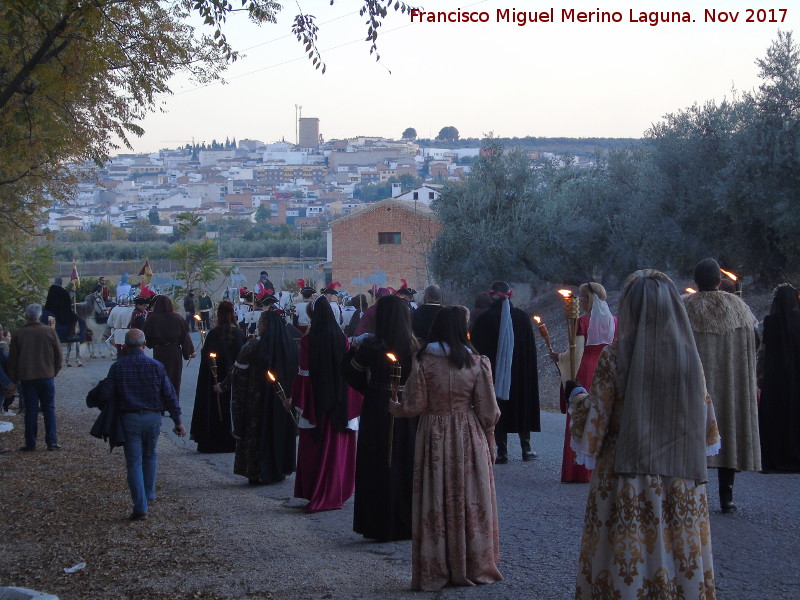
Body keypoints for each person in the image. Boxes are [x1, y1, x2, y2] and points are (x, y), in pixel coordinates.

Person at [569, 269, 720, 599]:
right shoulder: (689, 357)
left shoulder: (615, 355)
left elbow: (596, 421)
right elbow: (707, 423)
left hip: (626, 476)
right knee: (681, 553)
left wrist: (576, 396)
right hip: (682, 476)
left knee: (627, 556)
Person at [389, 306, 502, 591]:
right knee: (470, 495)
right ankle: (474, 564)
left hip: (435, 435)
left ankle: (437, 567)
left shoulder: (424, 361)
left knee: (437, 497)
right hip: (468, 433)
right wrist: (489, 437)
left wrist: (396, 408)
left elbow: (415, 405)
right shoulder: (476, 362)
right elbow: (488, 410)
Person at [684, 258, 760, 512]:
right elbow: (755, 343)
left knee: (693, 433)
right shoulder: (740, 309)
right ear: (719, 281)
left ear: (695, 281)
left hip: (695, 387)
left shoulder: (683, 309)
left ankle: (694, 492)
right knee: (727, 431)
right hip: (729, 387)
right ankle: (726, 497)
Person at [342, 295, 418, 542]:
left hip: (377, 406)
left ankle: (378, 522)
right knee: (405, 459)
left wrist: (373, 389)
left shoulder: (371, 346)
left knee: (378, 460)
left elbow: (352, 373)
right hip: (408, 408)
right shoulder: (417, 347)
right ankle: (407, 521)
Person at [103, 329, 186, 520]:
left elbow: (105, 393)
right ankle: (149, 493)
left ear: (125, 345)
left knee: (133, 463)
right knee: (150, 455)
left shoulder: (118, 367)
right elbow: (169, 394)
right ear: (143, 344)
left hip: (129, 418)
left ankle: (140, 505)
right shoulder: (156, 366)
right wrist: (178, 420)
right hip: (153, 418)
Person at [291, 296, 358, 512]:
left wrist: (298, 399)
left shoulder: (308, 341)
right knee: (336, 449)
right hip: (339, 401)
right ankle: (335, 491)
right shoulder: (343, 339)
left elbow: (304, 374)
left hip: (317, 403)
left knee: (316, 448)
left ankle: (315, 491)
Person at [221, 310, 299, 484]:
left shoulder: (253, 346)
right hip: (282, 401)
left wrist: (228, 389)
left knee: (258, 433)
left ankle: (256, 471)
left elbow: (238, 373)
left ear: (267, 326)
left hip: (258, 401)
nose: (259, 326)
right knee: (275, 433)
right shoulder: (291, 347)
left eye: (262, 323)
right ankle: (278, 469)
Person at [550, 282, 617, 483]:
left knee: (581, 412)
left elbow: (575, 353)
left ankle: (578, 470)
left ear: (592, 299)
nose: (582, 301)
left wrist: (559, 358)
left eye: (585, 297)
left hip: (587, 370)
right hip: (608, 370)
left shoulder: (582, 322)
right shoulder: (616, 321)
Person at [470, 281, 540, 463]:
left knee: (497, 406)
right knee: (521, 406)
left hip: (492, 374)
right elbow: (530, 351)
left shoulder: (484, 320)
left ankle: (502, 451)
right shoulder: (523, 318)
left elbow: (477, 350)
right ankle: (526, 448)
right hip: (520, 375)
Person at [190, 301, 245, 453]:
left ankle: (213, 440)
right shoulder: (239, 334)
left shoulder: (214, 334)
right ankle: (231, 440)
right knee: (229, 409)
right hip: (232, 380)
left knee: (216, 408)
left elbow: (206, 358)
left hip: (215, 381)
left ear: (219, 314)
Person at [7, 304, 63, 451]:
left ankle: (31, 442)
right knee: (49, 408)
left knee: (31, 410)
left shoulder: (18, 334)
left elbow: (12, 359)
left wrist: (14, 378)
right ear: (40, 316)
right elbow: (58, 355)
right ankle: (51, 441)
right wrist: (54, 371)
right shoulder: (49, 332)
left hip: (27, 377)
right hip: (46, 375)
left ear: (27, 315)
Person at [757, 283, 800, 473]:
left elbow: (764, 353)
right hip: (796, 380)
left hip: (775, 380)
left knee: (775, 417)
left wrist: (760, 378)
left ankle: (775, 455)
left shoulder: (770, 322)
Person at [142, 295, 195, 397]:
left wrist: (151, 344)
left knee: (160, 377)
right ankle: (173, 405)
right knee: (174, 377)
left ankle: (161, 405)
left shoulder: (152, 319)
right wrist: (189, 352)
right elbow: (184, 337)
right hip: (174, 352)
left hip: (159, 351)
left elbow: (147, 336)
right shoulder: (177, 317)